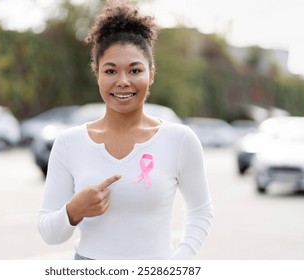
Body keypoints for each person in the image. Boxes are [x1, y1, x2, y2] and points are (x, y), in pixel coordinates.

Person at [37, 0, 212, 260]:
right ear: (97, 74)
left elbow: (200, 211)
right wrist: (74, 210)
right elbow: (50, 234)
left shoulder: (180, 140)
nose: (123, 81)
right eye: (110, 70)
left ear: (150, 74)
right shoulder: (69, 143)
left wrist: (178, 263)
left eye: (135, 70)